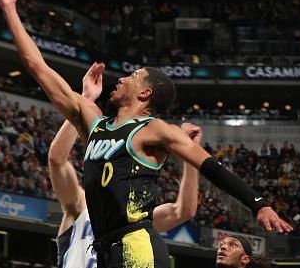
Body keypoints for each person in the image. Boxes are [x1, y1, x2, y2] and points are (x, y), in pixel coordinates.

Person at [0, 0, 292, 268]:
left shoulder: (154, 129)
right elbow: (37, 67)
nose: (120, 79)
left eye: (131, 77)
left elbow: (210, 166)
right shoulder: (95, 123)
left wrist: (258, 204)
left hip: (136, 244)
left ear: (145, 93)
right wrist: (10, 9)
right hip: (105, 248)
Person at [48, 64, 201, 268]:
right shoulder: (79, 206)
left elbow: (183, 211)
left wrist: (190, 156)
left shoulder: (130, 218)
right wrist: (84, 103)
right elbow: (56, 160)